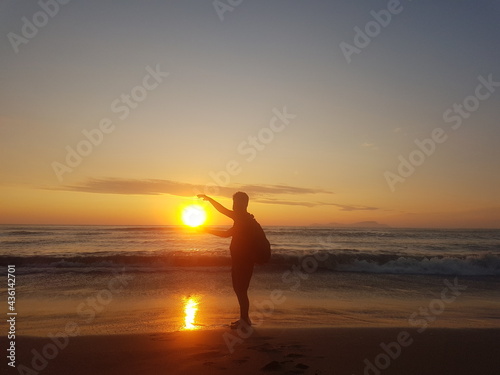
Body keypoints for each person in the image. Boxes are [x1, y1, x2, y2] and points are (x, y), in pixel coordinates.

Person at [198, 192, 256, 329]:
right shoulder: (244, 219)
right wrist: (207, 230)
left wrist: (209, 199)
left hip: (243, 261)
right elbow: (226, 234)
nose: (235, 205)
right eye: (234, 202)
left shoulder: (241, 217)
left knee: (241, 290)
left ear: (245, 204)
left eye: (238, 202)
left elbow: (222, 210)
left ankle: (245, 320)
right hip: (241, 261)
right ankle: (244, 319)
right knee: (240, 290)